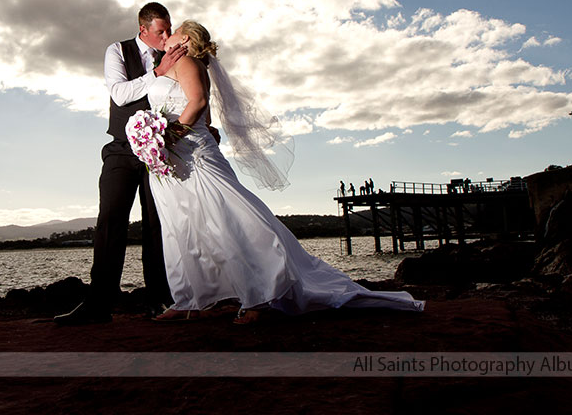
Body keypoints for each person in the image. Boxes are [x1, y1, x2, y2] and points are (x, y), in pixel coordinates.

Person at [147, 20, 424, 323]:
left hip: (188, 152)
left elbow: (198, 101)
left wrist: (167, 135)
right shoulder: (172, 64)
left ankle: (262, 295)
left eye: (171, 32)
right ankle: (188, 299)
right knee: (181, 226)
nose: (166, 36)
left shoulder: (186, 61)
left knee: (232, 219)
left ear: (185, 38)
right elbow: (204, 113)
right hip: (172, 158)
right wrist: (155, 138)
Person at [54, 2, 188, 325]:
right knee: (111, 219)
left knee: (158, 224)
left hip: (159, 149)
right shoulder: (116, 51)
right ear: (143, 29)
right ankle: (99, 304)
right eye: (160, 31)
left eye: (168, 29)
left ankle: (160, 300)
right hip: (121, 148)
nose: (166, 36)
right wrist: (156, 72)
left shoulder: (173, 55)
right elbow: (118, 93)